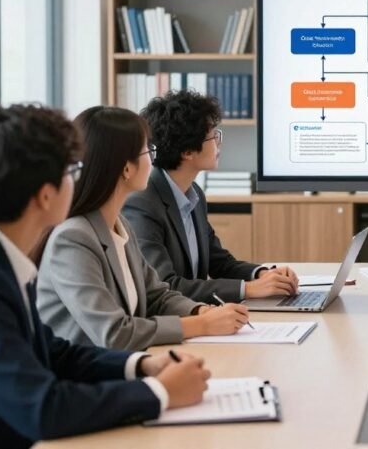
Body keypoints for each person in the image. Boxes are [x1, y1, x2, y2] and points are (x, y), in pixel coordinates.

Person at [0, 104, 210, 449]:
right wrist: (159, 392)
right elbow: (43, 408)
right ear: (45, 195)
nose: (78, 180)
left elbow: (53, 352)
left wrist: (142, 365)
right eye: (71, 171)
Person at [36, 106, 250, 351]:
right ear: (126, 168)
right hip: (87, 379)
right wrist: (202, 324)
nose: (154, 158)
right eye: (148, 150)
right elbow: (115, 333)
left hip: (126, 364)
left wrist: (201, 310)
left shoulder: (118, 225)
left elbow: (156, 295)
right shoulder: (73, 238)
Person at [123, 90, 297, 304]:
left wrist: (262, 274)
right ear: (187, 150)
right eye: (213, 135)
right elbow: (167, 286)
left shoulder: (193, 193)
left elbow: (219, 262)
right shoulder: (142, 204)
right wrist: (249, 289)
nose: (219, 142)